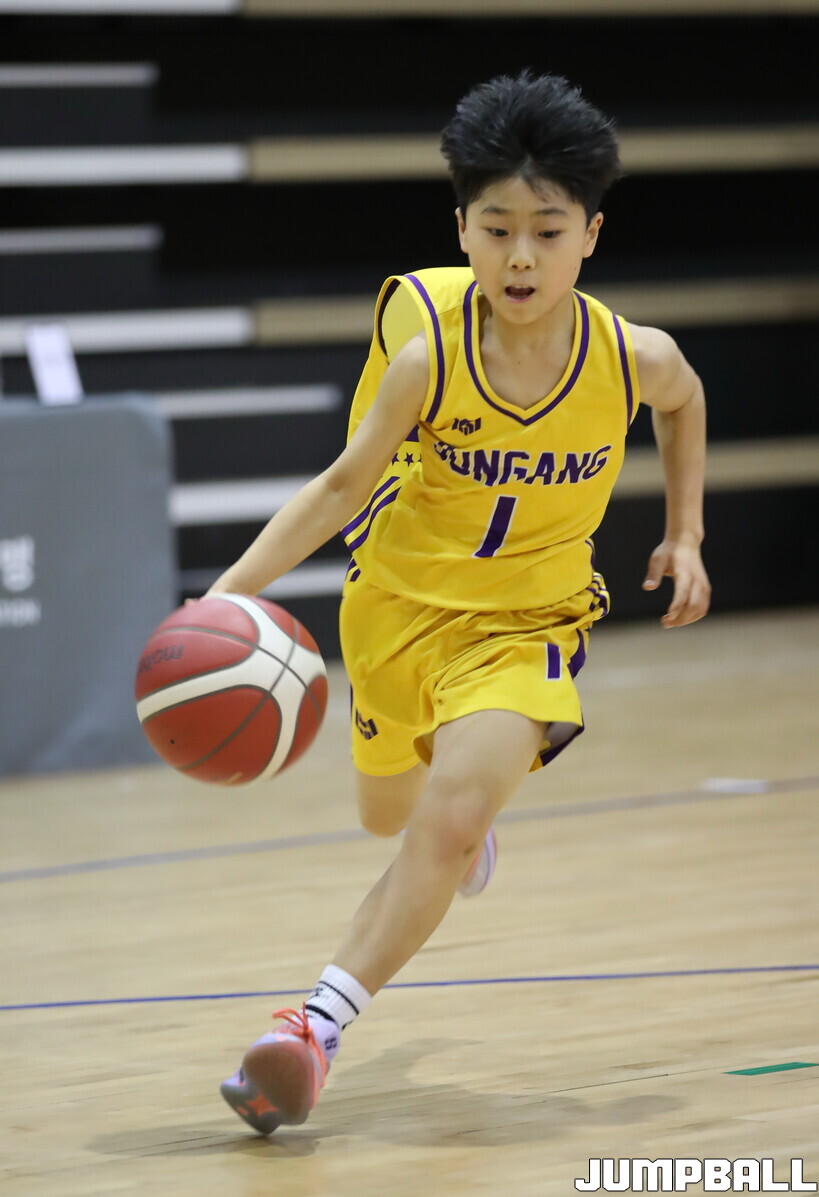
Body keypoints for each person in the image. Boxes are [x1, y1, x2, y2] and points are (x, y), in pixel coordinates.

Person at [212, 70, 711, 1134]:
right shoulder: (429, 361)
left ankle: (311, 1030)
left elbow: (685, 400)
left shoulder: (632, 357)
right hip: (397, 612)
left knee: (446, 817)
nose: (521, 256)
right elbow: (337, 489)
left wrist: (685, 531)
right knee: (387, 815)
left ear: (590, 236)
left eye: (547, 231)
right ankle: (459, 820)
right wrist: (220, 597)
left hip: (528, 627)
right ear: (462, 232)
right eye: (496, 230)